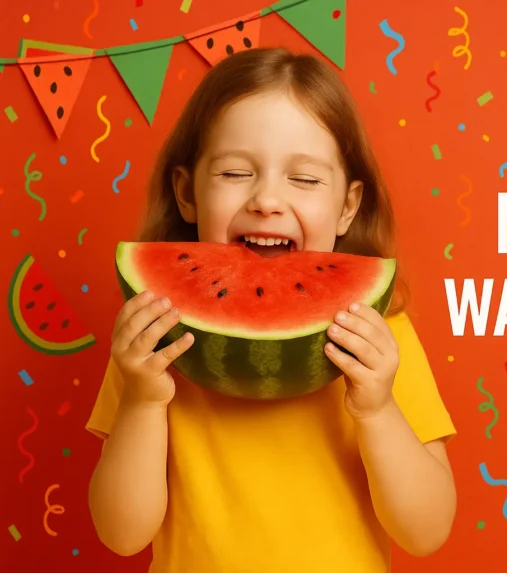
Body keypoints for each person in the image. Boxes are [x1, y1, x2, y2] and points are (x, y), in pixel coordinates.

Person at [86, 48, 457, 573]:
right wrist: (143, 400)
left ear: (348, 206)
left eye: (304, 180)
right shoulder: (153, 338)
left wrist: (377, 409)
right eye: (236, 172)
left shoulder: (380, 333)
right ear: (187, 194)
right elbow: (122, 535)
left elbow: (426, 531)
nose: (267, 200)